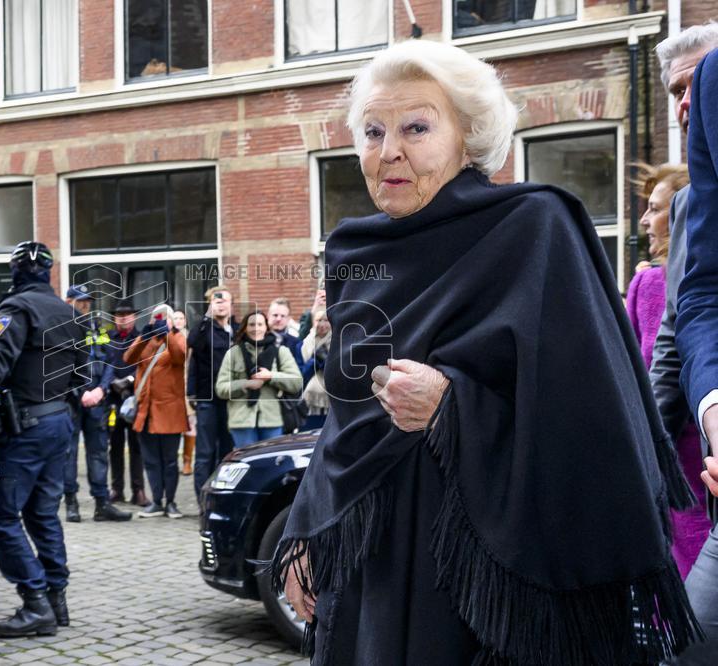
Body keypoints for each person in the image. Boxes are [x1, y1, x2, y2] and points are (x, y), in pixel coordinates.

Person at [274, 40, 700, 664]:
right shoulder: (352, 253)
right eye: (373, 131)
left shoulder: (533, 228)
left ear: (468, 138)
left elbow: (593, 420)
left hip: (480, 580)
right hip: (369, 571)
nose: (388, 151)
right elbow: (347, 418)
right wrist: (307, 527)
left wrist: (453, 407)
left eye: (416, 127)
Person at [649, 21, 718, 640]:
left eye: (699, 82)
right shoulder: (690, 205)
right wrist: (643, 454)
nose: (687, 102)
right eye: (676, 91)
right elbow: (680, 331)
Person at [0, 242, 88, 637]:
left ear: (15, 271)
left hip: (23, 427)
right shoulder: (70, 314)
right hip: (58, 423)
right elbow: (82, 375)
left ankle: (35, 601)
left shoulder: (16, 309)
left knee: (1, 514)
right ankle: (57, 599)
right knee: (42, 513)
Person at [626, 163, 708, 580]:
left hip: (684, 467)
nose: (645, 220)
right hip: (677, 466)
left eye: (655, 208)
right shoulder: (645, 285)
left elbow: (636, 376)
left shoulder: (652, 288)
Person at [62, 285, 130, 523]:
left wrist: (101, 389)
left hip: (98, 400)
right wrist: (81, 393)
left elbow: (110, 361)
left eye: (88, 301)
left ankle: (102, 504)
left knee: (99, 452)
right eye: (80, 301)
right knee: (69, 453)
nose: (85, 305)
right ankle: (71, 502)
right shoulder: (60, 329)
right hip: (72, 401)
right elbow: (58, 366)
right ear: (68, 302)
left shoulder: (97, 328)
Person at [123, 304, 189, 519]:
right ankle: (157, 501)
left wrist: (167, 333)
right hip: (146, 411)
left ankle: (171, 502)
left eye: (164, 317)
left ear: (171, 320)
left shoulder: (177, 338)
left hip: (170, 411)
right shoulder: (147, 340)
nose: (160, 320)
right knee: (151, 460)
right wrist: (143, 337)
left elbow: (180, 356)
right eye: (156, 317)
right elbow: (128, 358)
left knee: (169, 460)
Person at [216, 310, 302, 447]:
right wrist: (246, 384)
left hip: (272, 419)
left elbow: (297, 382)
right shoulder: (233, 353)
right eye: (251, 324)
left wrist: (271, 376)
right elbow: (221, 388)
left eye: (260, 324)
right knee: (246, 459)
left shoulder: (281, 351)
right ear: (245, 328)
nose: (256, 328)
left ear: (266, 327)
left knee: (272, 459)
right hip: (241, 421)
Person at [186, 286, 237, 500]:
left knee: (227, 451)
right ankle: (202, 500)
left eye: (224, 300)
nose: (221, 304)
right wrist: (207, 317)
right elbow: (192, 343)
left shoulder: (237, 330)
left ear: (232, 304)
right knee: (205, 453)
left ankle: (221, 497)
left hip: (233, 400)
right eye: (216, 301)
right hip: (208, 398)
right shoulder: (204, 329)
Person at [106, 298, 148, 507]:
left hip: (135, 398)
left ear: (135, 317)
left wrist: (129, 380)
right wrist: (111, 381)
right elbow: (101, 362)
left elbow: (144, 365)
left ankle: (138, 490)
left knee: (136, 446)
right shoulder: (106, 339)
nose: (123, 318)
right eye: (119, 315)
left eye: (127, 315)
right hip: (112, 398)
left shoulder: (142, 338)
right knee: (115, 446)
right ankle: (117, 489)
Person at [299, 308, 331, 431]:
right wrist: (315, 360)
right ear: (313, 322)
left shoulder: (339, 343)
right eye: (318, 320)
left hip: (332, 403)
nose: (322, 324)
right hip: (309, 404)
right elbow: (301, 375)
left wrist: (326, 361)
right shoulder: (302, 345)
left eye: (326, 320)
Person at [172, 309, 195, 475]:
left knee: (190, 423)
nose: (178, 321)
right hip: (171, 387)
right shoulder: (167, 338)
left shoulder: (191, 339)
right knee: (172, 425)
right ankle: (172, 461)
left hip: (187, 387)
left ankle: (187, 461)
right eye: (175, 318)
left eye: (181, 318)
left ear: (185, 321)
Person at [267, 297, 303, 366]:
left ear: (289, 318)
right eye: (275, 315)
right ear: (268, 315)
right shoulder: (258, 339)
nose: (278, 319)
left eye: (283, 316)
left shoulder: (296, 343)